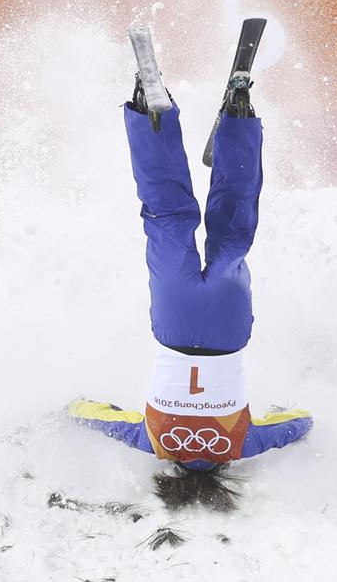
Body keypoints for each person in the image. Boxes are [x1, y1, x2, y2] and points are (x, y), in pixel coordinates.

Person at [69, 62, 313, 509]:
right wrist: (73, 408)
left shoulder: (241, 445)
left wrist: (285, 417)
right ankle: (149, 116)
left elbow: (299, 424)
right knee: (166, 215)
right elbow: (99, 418)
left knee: (233, 229)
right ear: (174, 476)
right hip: (175, 322)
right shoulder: (153, 441)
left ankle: (240, 118)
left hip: (227, 327)